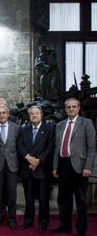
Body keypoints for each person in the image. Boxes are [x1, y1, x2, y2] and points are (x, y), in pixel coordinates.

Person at [51, 98, 96, 236]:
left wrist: (88, 167)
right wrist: (55, 166)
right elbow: (57, 148)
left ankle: (81, 229)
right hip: (63, 165)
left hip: (80, 166)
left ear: (78, 108)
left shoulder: (86, 123)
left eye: (74, 107)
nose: (71, 109)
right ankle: (65, 225)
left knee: (81, 200)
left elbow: (92, 147)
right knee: (63, 198)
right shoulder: (59, 125)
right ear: (65, 109)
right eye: (68, 107)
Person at [18, 105, 54, 232]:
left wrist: (38, 161)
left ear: (41, 115)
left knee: (43, 199)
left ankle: (43, 223)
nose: (34, 115)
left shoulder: (49, 128)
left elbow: (50, 147)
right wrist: (28, 158)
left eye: (37, 113)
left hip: (42, 169)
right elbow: (20, 146)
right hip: (27, 169)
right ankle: (28, 221)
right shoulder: (23, 129)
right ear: (29, 116)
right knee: (29, 199)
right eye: (32, 114)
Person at [0, 105, 19, 230]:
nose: (1, 115)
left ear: (8, 114)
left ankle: (12, 218)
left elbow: (19, 147)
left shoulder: (16, 128)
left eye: (4, 113)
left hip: (12, 165)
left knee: (12, 193)